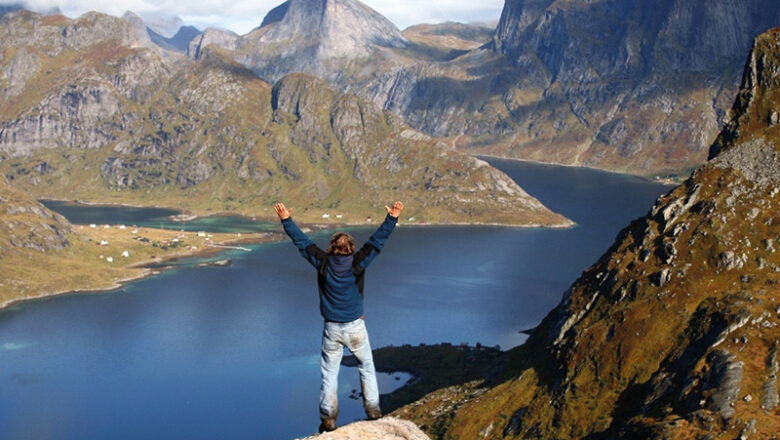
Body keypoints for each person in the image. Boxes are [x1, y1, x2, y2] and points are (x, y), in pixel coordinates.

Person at [274, 201, 404, 433]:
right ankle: (373, 411)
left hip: (332, 329)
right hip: (355, 327)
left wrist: (286, 220)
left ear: (332, 247)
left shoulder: (323, 262)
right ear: (351, 249)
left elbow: (302, 242)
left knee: (329, 374)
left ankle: (328, 419)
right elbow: (377, 242)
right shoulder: (358, 263)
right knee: (366, 365)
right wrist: (392, 218)